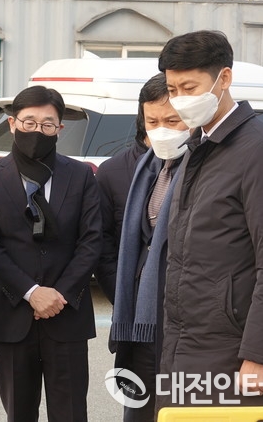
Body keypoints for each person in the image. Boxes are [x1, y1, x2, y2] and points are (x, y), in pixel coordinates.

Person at [157, 30, 263, 408]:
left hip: (233, 350)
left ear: (224, 78)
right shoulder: (197, 148)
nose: (180, 98)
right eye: (172, 89)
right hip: (186, 341)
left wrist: (258, 355)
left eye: (190, 87)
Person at [0, 85, 102, 422]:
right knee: (19, 412)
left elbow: (91, 241)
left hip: (67, 313)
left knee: (71, 413)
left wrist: (59, 295)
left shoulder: (81, 175)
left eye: (47, 124)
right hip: (12, 313)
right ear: (13, 123)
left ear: (59, 129)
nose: (37, 131)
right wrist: (32, 292)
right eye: (29, 122)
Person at [108, 73, 188, 422]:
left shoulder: (204, 167)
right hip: (142, 317)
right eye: (152, 122)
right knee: (140, 408)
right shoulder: (148, 167)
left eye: (172, 121)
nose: (162, 131)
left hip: (182, 316)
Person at [95, 95, 150, 303]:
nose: (165, 128)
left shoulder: (198, 166)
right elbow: (101, 240)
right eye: (154, 121)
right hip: (131, 299)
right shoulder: (111, 171)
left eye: (173, 120)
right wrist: (122, 295)